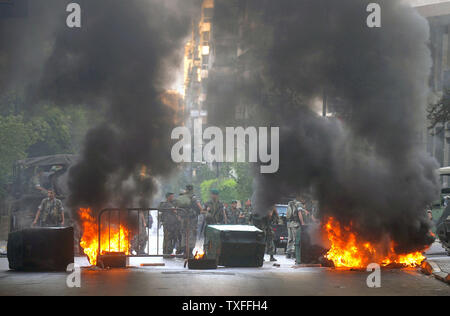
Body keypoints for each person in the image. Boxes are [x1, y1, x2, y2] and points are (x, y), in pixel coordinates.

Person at [178, 184, 204, 257]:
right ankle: (189, 251)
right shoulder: (193, 197)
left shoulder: (182, 197)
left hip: (184, 219)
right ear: (192, 189)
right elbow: (199, 207)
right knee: (192, 234)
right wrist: (202, 211)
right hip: (192, 219)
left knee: (184, 234)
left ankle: (184, 251)